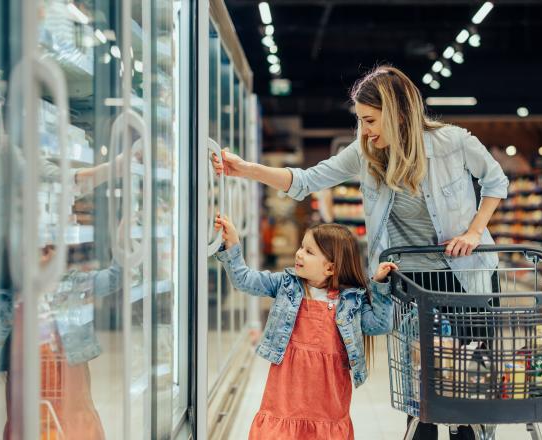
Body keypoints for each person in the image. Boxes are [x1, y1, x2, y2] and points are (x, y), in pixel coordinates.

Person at [212, 65, 508, 439]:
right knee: (422, 384)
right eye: (361, 121)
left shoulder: (454, 142)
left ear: (398, 113)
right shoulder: (367, 154)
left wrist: (474, 231)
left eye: (370, 120)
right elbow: (306, 180)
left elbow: (496, 181)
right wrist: (247, 169)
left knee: (471, 378)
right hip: (411, 282)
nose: (364, 130)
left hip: (469, 274)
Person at [214, 215, 395, 440]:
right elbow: (244, 280)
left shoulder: (351, 301)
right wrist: (232, 245)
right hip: (286, 388)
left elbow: (380, 324)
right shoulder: (285, 284)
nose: (299, 253)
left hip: (328, 396)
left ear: (330, 268)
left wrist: (379, 286)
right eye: (301, 247)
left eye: (309, 252)